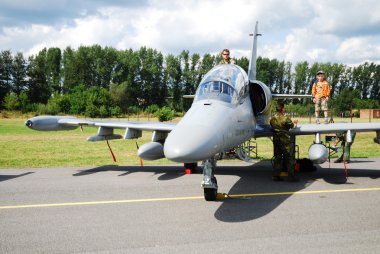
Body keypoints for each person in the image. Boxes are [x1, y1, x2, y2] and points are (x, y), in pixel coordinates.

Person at [270, 101, 299, 181]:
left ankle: (276, 176)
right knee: (289, 158)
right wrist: (295, 123)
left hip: (276, 141)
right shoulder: (286, 119)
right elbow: (292, 126)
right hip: (285, 141)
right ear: (282, 109)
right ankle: (291, 177)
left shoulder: (272, 119)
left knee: (278, 158)